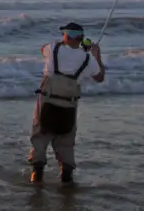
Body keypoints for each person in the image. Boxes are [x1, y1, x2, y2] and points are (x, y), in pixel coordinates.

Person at [28, 22, 106, 186]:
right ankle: (67, 176)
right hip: (69, 105)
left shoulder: (52, 48)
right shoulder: (88, 58)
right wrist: (96, 53)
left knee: (41, 135)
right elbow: (99, 77)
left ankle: (37, 174)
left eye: (64, 34)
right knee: (66, 140)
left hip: (47, 100)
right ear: (80, 38)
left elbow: (42, 48)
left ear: (67, 35)